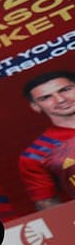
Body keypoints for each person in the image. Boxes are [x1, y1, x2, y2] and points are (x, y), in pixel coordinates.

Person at [19, 70, 75, 211]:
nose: (61, 100)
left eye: (65, 90)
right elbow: (49, 206)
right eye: (46, 98)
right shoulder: (34, 155)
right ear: (35, 107)